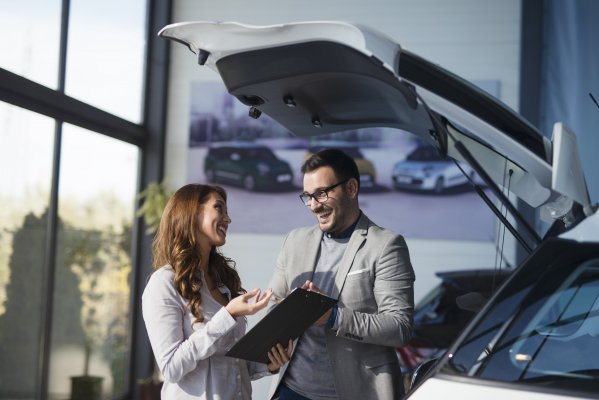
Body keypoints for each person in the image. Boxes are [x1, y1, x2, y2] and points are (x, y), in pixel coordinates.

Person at [267, 149, 415, 400]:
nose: (314, 205)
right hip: (291, 390)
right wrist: (279, 328)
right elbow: (273, 304)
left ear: (352, 188)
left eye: (322, 194)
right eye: (308, 196)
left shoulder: (387, 245)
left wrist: (332, 316)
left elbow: (399, 327)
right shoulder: (294, 240)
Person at [142, 183, 292, 400]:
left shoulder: (222, 281)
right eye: (219, 208)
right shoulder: (163, 283)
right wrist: (228, 316)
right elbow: (171, 368)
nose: (228, 219)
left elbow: (232, 364)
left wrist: (268, 363)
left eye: (227, 212)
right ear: (191, 213)